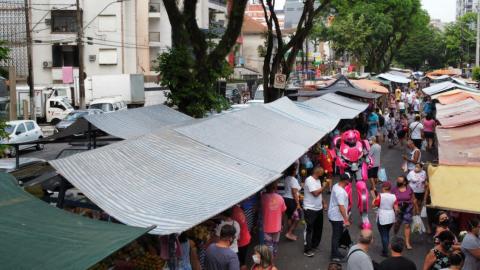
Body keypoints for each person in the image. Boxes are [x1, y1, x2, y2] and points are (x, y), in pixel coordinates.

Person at [303, 166, 327, 257]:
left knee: (318, 228)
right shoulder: (309, 180)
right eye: (321, 174)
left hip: (318, 208)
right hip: (310, 209)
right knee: (309, 229)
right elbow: (315, 193)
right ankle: (307, 249)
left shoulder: (318, 180)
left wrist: (324, 202)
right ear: (317, 173)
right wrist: (324, 187)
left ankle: (314, 245)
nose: (322, 176)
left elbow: (319, 194)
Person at [328, 172, 352, 261]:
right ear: (345, 180)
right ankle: (334, 255)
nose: (349, 182)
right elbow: (341, 207)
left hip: (333, 215)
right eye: (348, 180)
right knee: (336, 236)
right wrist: (346, 219)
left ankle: (335, 252)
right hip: (337, 217)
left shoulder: (336, 186)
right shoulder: (341, 192)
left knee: (336, 235)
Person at [261, 181, 286, 257]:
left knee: (268, 246)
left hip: (266, 227)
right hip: (277, 227)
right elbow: (283, 212)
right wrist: (282, 223)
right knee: (275, 244)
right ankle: (273, 258)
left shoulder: (262, 198)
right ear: (275, 187)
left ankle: (270, 262)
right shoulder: (280, 198)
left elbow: (259, 210)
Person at [373, 182, 399, 257]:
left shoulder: (380, 196)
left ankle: (385, 251)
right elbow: (396, 208)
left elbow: (374, 204)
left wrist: (375, 199)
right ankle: (386, 248)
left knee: (384, 235)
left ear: (383, 188)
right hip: (391, 216)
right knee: (386, 233)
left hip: (382, 216)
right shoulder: (394, 196)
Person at [392, 176, 415, 250]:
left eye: (400, 180)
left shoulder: (409, 189)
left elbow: (413, 199)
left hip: (408, 208)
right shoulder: (394, 189)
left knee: (407, 225)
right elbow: (392, 199)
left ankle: (407, 242)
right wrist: (395, 208)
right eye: (397, 180)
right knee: (397, 225)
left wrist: (415, 210)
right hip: (398, 208)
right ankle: (395, 237)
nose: (398, 181)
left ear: (404, 182)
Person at [282, 164, 302, 241]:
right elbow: (294, 192)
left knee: (290, 216)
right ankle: (289, 233)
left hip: (286, 199)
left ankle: (289, 232)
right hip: (291, 200)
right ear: (293, 171)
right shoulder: (293, 180)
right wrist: (298, 204)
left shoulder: (286, 178)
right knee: (297, 217)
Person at [232, 205, 251, 270]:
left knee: (241, 261)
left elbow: (237, 236)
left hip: (242, 241)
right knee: (242, 260)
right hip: (246, 237)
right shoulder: (238, 208)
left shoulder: (233, 215)